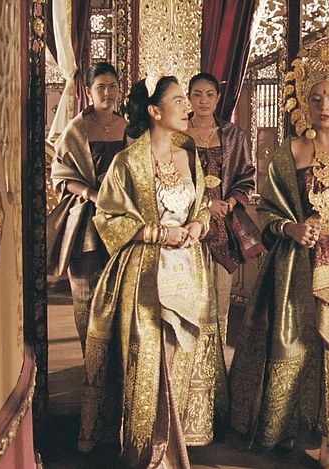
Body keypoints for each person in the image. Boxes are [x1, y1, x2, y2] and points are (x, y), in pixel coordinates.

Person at [228, 27, 329, 469]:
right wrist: (291, 228)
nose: (324, 106)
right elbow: (266, 209)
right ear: (303, 99)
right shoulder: (290, 152)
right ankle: (281, 430)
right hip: (298, 268)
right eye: (316, 97)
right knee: (296, 347)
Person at [77, 75, 224, 468]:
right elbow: (108, 216)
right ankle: (146, 451)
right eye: (178, 100)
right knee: (147, 358)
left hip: (188, 271)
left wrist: (198, 226)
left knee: (179, 355)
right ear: (155, 111)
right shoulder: (128, 162)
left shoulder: (189, 156)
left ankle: (172, 445)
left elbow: (202, 207)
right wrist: (159, 232)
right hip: (144, 273)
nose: (188, 107)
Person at [46, 62, 127, 353]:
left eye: (112, 86)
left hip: (121, 219)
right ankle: (92, 363)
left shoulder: (127, 127)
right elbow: (60, 175)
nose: (107, 93)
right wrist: (91, 193)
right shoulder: (76, 129)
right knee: (87, 295)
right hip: (86, 223)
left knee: (119, 295)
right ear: (89, 90)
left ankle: (116, 368)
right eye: (100, 87)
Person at [183, 72, 261, 349]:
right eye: (197, 94)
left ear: (217, 98)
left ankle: (215, 361)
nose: (203, 100)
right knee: (188, 296)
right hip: (187, 223)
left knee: (220, 298)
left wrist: (230, 203)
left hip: (223, 228)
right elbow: (170, 178)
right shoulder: (178, 134)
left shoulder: (233, 135)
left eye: (209, 94)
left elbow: (247, 176)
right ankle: (187, 362)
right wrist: (206, 203)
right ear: (189, 98)